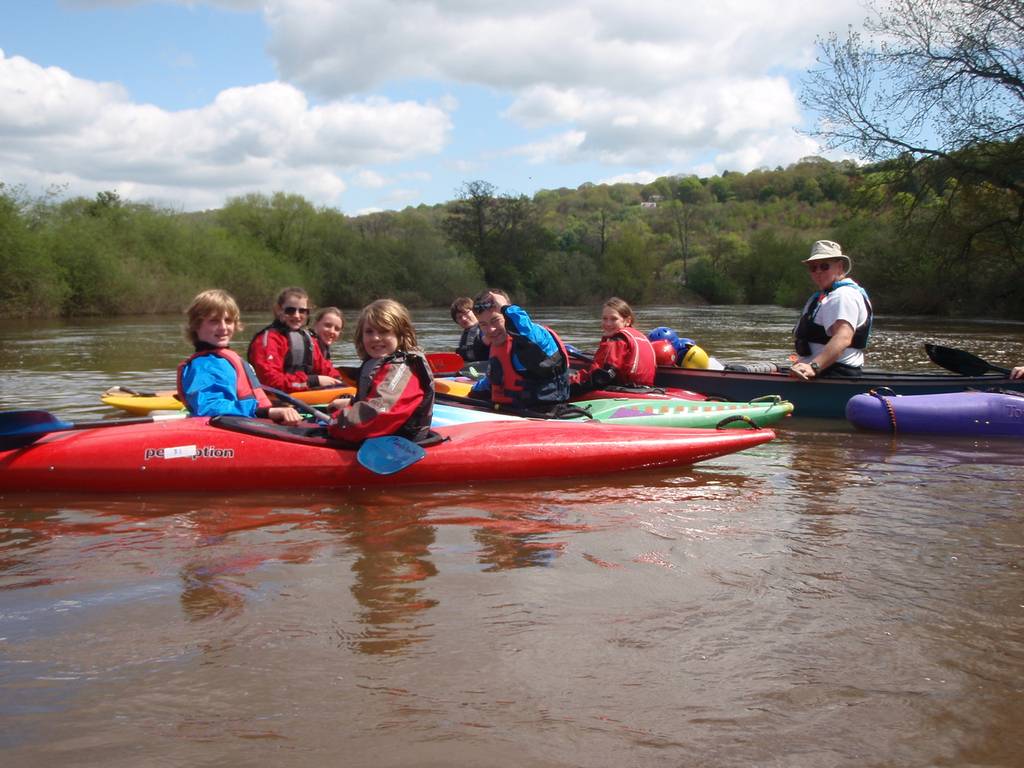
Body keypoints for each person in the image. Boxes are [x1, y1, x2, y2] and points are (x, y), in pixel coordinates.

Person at [178, 289, 302, 424]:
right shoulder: (204, 365)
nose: (223, 327)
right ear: (196, 325)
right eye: (214, 321)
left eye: (228, 321)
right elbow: (209, 408)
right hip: (235, 430)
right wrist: (265, 412)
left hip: (252, 424)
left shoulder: (222, 359)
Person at [327, 299, 434, 443]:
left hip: (398, 449)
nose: (376, 338)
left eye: (384, 331)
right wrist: (351, 403)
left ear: (400, 334)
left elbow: (375, 418)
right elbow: (378, 398)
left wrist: (335, 421)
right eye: (369, 332)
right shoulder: (382, 364)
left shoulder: (402, 370)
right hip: (380, 441)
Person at [469, 289, 571, 408]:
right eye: (483, 324)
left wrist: (507, 308)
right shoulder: (499, 344)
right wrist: (471, 393)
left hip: (545, 414)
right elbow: (493, 381)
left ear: (507, 316)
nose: (491, 330)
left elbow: (527, 335)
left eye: (495, 320)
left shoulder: (539, 337)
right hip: (509, 412)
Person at [790, 240, 872, 380]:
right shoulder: (826, 296)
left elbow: (843, 337)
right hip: (824, 372)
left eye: (824, 266)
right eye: (813, 268)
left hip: (833, 374)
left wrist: (813, 367)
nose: (818, 272)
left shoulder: (842, 296)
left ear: (839, 267)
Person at [248, 287, 344, 393]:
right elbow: (270, 381)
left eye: (302, 311)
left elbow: (325, 368)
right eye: (290, 310)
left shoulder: (309, 340)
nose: (297, 315)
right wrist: (312, 381)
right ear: (278, 310)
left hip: (302, 396)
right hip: (276, 401)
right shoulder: (267, 340)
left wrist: (339, 380)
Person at [572, 297, 656, 391]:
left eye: (614, 319)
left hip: (625, 392)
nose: (608, 324)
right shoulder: (642, 338)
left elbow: (602, 376)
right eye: (605, 319)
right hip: (646, 390)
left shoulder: (617, 341)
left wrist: (571, 383)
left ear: (627, 321)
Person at [450, 297, 489, 362]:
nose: (464, 319)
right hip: (471, 368)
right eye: (459, 317)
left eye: (466, 313)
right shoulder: (466, 334)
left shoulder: (487, 329)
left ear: (475, 312)